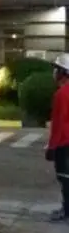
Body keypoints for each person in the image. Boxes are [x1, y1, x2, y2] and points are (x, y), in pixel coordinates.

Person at [46, 52, 69, 221]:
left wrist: (52, 147)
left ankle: (67, 211)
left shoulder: (61, 94)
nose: (55, 73)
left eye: (57, 69)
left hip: (65, 144)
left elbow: (59, 124)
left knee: (64, 177)